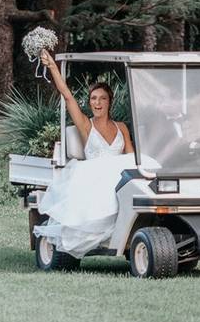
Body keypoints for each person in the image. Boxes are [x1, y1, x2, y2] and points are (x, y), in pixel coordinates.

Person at [32, 49, 141, 258]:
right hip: (95, 176)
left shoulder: (121, 128)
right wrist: (53, 66)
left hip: (119, 176)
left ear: (110, 102)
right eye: (93, 99)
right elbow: (67, 95)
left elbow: (131, 158)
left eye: (102, 99)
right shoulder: (85, 125)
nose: (97, 103)